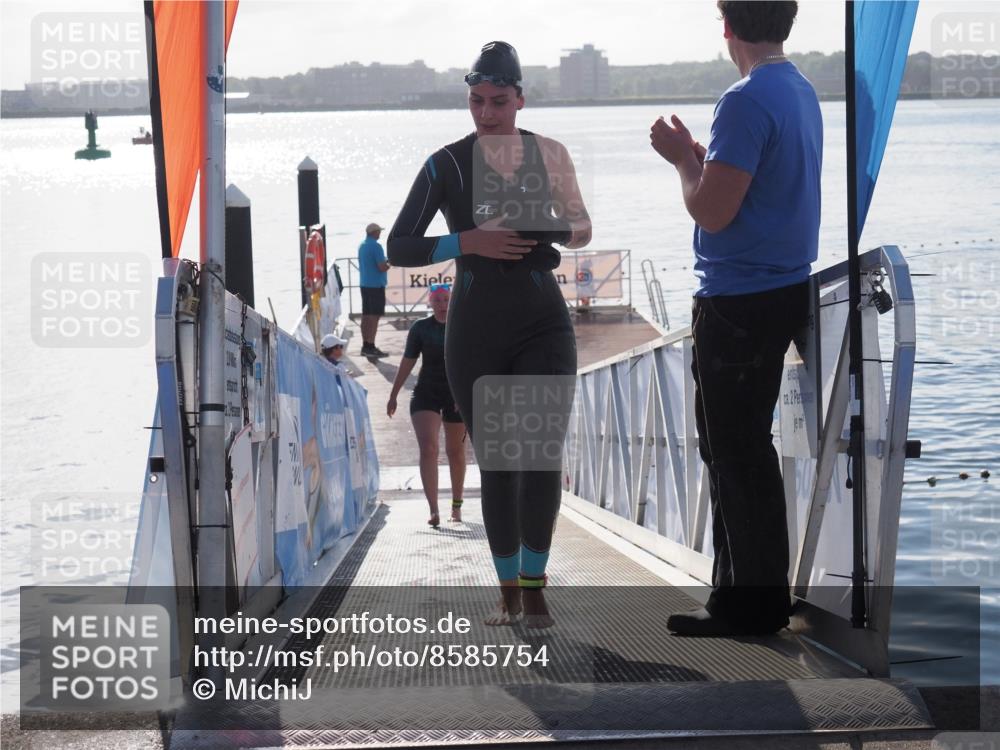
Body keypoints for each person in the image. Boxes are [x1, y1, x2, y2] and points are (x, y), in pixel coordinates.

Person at [387, 41, 592, 627]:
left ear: (520, 98)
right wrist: (468, 241)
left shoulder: (549, 154)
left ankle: (534, 586)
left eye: (498, 101)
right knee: (501, 463)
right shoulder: (446, 163)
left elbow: (580, 227)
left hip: (542, 320)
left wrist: (551, 228)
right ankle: (507, 591)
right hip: (476, 329)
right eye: (476, 101)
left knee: (541, 453)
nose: (485, 113)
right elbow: (400, 247)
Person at [649, 0, 821, 636]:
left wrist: (682, 160)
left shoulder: (745, 100)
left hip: (738, 300)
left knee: (733, 450)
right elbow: (751, 189)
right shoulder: (799, 89)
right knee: (746, 448)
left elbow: (712, 213)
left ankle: (746, 606)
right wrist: (706, 162)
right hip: (782, 288)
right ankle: (755, 596)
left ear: (727, 26)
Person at [387, 284, 467, 528]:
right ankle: (433, 509)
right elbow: (408, 362)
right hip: (426, 392)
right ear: (430, 304)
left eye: (446, 300)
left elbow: (472, 361)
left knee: (455, 451)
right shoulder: (420, 328)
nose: (442, 305)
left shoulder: (462, 326)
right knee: (429, 448)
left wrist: (464, 393)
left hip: (456, 392)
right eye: (438, 301)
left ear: (452, 301)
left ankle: (456, 505)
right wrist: (393, 394)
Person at [358, 222, 390, 358]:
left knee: (366, 315)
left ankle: (365, 345)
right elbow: (382, 267)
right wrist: (391, 262)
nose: (380, 233)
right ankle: (371, 346)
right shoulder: (376, 247)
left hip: (365, 284)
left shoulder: (362, 245)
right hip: (376, 285)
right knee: (374, 317)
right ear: (374, 232)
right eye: (379, 231)